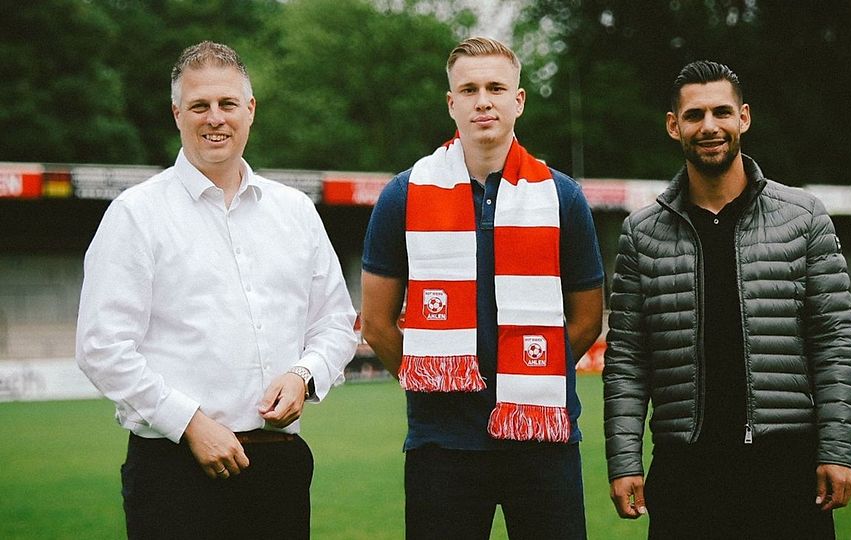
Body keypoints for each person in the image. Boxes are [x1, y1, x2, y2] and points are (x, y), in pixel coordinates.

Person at [76, 41, 358, 539]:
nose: (215, 118)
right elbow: (101, 346)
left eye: (227, 103)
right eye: (199, 105)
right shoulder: (136, 214)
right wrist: (189, 423)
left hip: (279, 468)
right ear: (176, 114)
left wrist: (303, 375)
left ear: (250, 110)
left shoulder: (294, 211)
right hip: (174, 470)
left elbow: (336, 323)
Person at [603, 60, 851, 539]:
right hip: (685, 469)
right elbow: (627, 360)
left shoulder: (804, 218)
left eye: (721, 112)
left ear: (743, 117)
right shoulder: (641, 234)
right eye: (694, 115)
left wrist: (838, 451)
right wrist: (624, 461)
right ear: (673, 125)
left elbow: (834, 344)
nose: (709, 126)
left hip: (786, 466)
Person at [361, 37, 604, 539]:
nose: (483, 101)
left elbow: (585, 320)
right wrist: (430, 376)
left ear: (519, 100)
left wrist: (531, 375)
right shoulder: (403, 195)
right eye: (469, 90)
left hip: (542, 436)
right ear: (451, 103)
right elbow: (378, 325)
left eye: (496, 87)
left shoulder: (562, 197)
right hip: (441, 442)